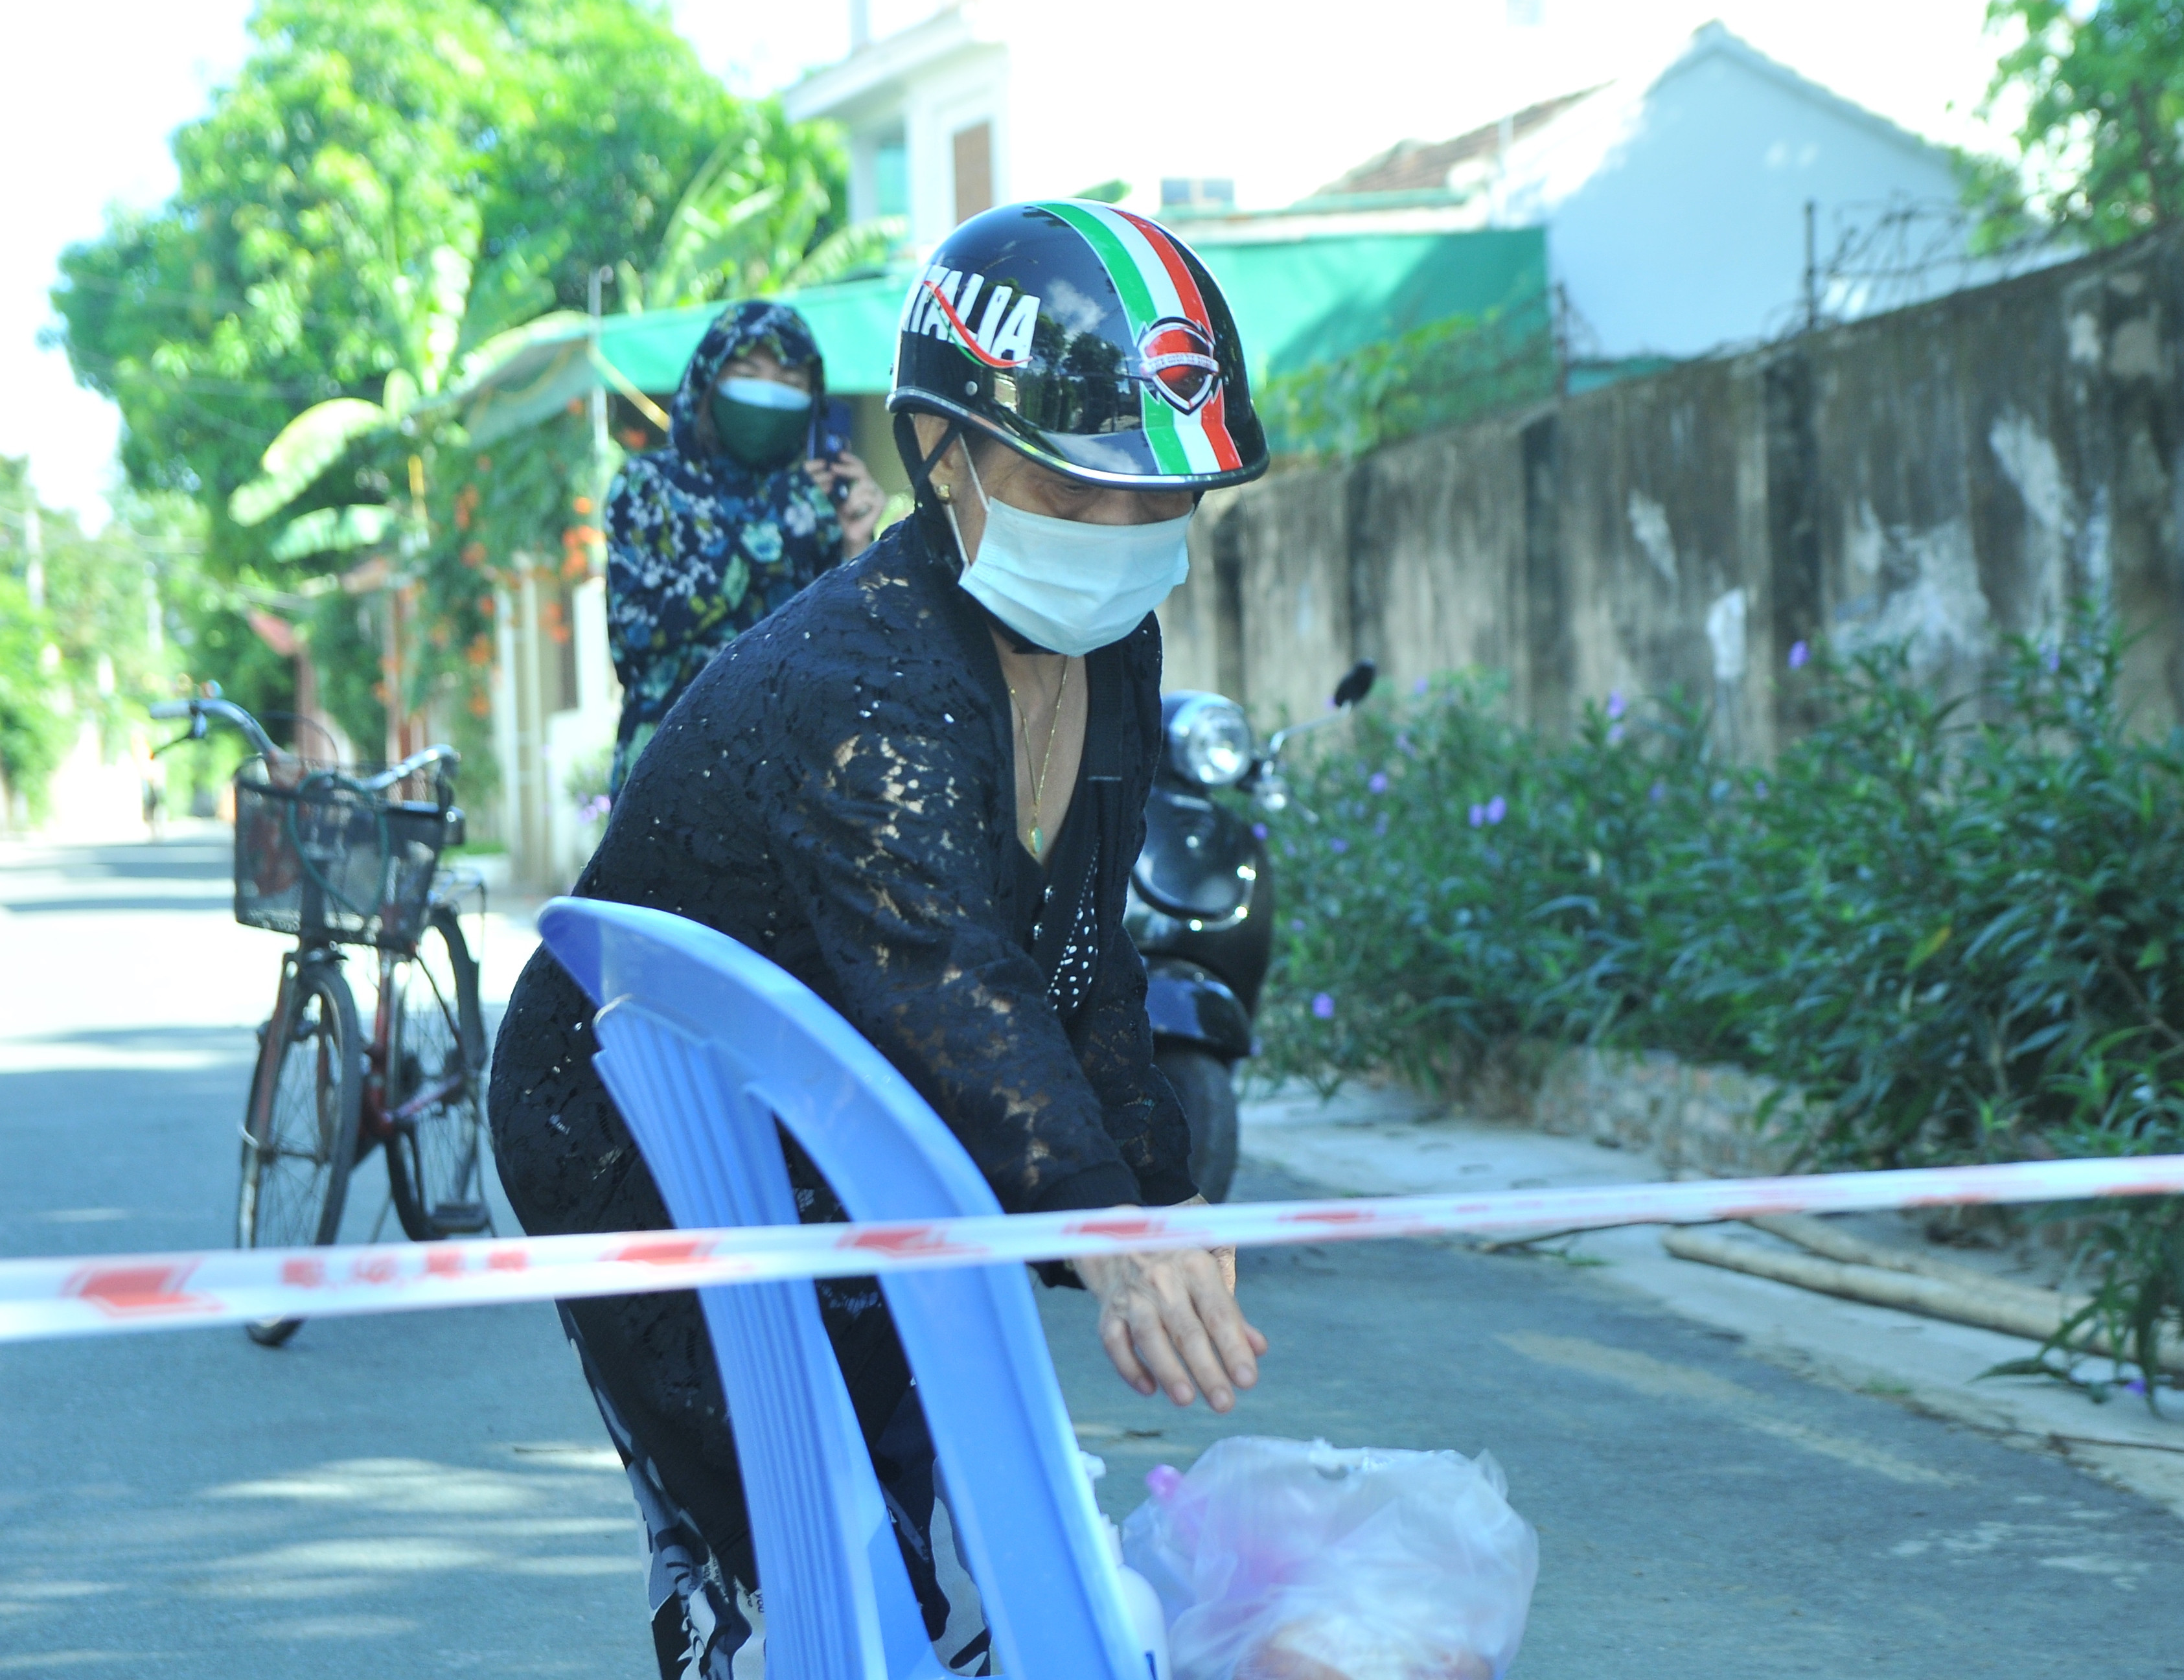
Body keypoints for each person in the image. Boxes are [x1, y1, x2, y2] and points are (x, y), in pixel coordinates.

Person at [489, 200, 1270, 1677]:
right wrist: (1103, 1232)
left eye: (1161, 503)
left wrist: (1152, 1199)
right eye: (1078, 491)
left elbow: (1080, 950)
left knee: (924, 1537)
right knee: (793, 1557)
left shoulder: (1112, 647)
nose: (1125, 537)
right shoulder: (861, 680)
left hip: (849, 1135)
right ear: (947, 456)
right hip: (650, 1142)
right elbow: (949, 980)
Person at [604, 299, 887, 796]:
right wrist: (773, 533)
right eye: (750, 372)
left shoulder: (815, 502)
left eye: (791, 383)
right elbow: (636, 636)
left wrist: (853, 545)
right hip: (672, 772)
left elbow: (852, 653)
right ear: (710, 378)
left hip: (791, 778)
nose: (769, 394)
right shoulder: (649, 485)